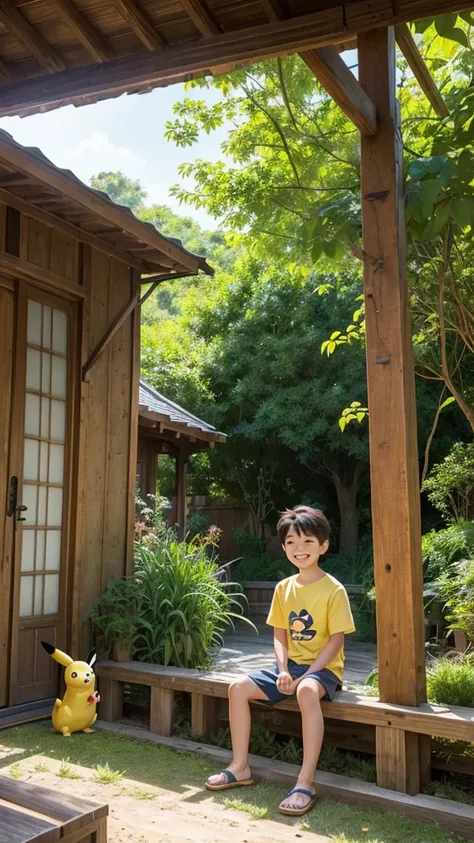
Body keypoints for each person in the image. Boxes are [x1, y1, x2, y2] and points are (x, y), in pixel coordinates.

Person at [205, 505, 355, 816]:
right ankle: (240, 766)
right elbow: (279, 637)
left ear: (323, 546)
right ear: (284, 546)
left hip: (323, 669)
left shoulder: (334, 590)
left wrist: (303, 677)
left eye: (307, 542)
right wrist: (284, 670)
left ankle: (305, 782)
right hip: (290, 668)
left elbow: (336, 641)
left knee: (305, 691)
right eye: (291, 542)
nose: (299, 549)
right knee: (237, 687)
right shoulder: (283, 589)